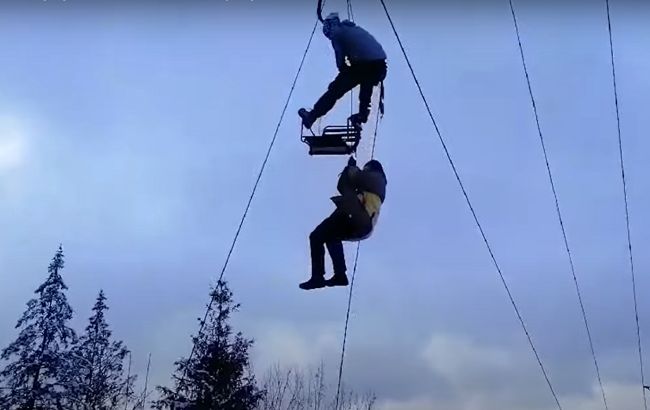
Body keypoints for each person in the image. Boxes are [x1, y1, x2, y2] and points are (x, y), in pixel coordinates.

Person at [300, 157, 387, 290]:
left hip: (358, 216)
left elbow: (353, 177)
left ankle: (319, 277)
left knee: (317, 236)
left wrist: (351, 168)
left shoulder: (377, 179)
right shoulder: (372, 186)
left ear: (372, 169)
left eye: (366, 168)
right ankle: (340, 275)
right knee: (330, 236)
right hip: (360, 222)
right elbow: (344, 185)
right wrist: (349, 171)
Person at [298, 12, 387, 129]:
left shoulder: (337, 33)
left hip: (367, 65)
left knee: (335, 91)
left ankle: (312, 116)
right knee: (366, 88)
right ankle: (362, 116)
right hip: (379, 66)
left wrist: (340, 78)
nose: (330, 38)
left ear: (329, 27)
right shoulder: (348, 29)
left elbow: (340, 61)